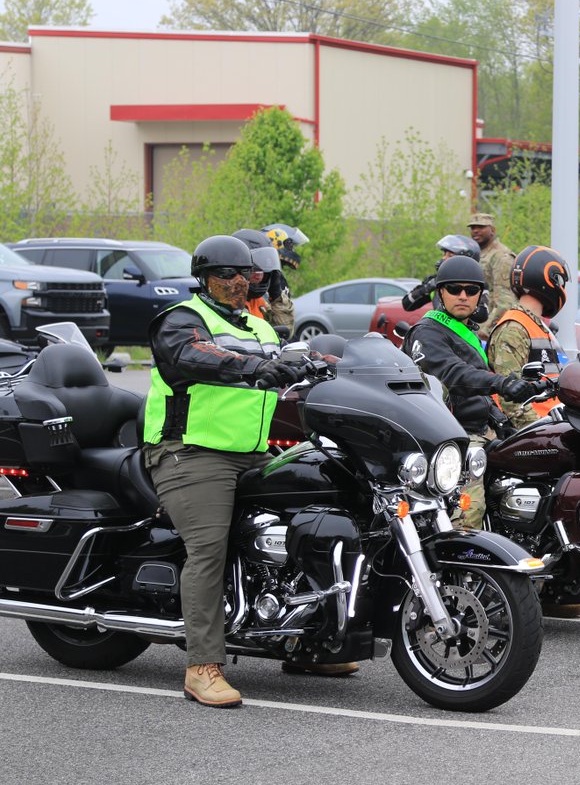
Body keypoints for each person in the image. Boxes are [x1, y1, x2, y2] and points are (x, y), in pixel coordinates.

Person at [143, 235, 355, 709]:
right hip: (191, 454)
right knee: (208, 546)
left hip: (253, 454)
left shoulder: (259, 327)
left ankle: (307, 642)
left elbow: (284, 358)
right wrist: (254, 366)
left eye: (245, 275)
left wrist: (333, 364)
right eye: (225, 275)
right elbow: (192, 357)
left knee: (314, 517)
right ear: (204, 279)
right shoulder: (181, 321)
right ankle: (202, 666)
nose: (237, 282)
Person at [403, 256, 541, 527]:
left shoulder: (465, 333)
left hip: (482, 430)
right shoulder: (427, 332)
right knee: (469, 512)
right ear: (441, 292)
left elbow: (479, 392)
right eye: (454, 289)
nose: (463, 296)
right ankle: (462, 561)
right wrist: (500, 382)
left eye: (471, 290)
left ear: (480, 295)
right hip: (452, 436)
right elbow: (454, 374)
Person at [488, 245, 570, 430]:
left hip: (556, 422)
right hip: (539, 434)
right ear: (550, 280)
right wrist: (543, 432)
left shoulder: (536, 325)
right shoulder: (514, 328)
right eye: (560, 281)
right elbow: (510, 401)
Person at [400, 234, 488, 325]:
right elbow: (407, 304)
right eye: (444, 254)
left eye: (450, 255)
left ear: (465, 259)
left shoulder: (477, 284)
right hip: (439, 331)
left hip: (465, 334)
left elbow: (482, 315)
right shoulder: (436, 281)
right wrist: (428, 287)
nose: (444, 258)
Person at [232, 228, 293, 336]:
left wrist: (276, 295)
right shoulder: (226, 303)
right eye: (253, 270)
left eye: (264, 270)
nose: (259, 276)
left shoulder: (260, 303)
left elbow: (286, 330)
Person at [468, 212, 516, 338]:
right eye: (473, 228)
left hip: (493, 330)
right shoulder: (478, 254)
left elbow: (505, 302)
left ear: (492, 230)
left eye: (481, 227)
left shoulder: (501, 257)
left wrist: (484, 332)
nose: (476, 231)